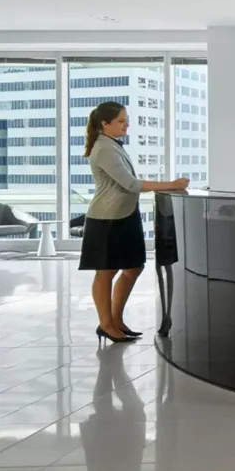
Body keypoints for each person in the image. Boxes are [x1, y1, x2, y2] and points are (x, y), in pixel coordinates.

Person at [80, 101, 189, 344]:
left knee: (133, 267)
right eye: (121, 120)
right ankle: (106, 324)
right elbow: (129, 184)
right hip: (107, 218)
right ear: (104, 123)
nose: (126, 124)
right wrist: (172, 184)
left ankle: (115, 320)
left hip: (124, 215)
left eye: (125, 120)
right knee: (106, 272)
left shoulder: (112, 145)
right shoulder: (104, 148)